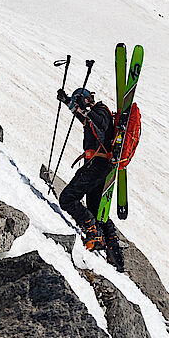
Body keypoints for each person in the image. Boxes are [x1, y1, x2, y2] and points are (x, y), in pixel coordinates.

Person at [55, 86, 125, 269]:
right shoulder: (91, 113)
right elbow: (82, 116)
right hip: (100, 167)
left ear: (86, 100)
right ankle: (114, 251)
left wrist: (84, 109)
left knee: (67, 198)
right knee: (95, 209)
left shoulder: (100, 111)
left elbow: (101, 123)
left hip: (96, 166)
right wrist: (67, 101)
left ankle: (94, 235)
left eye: (80, 102)